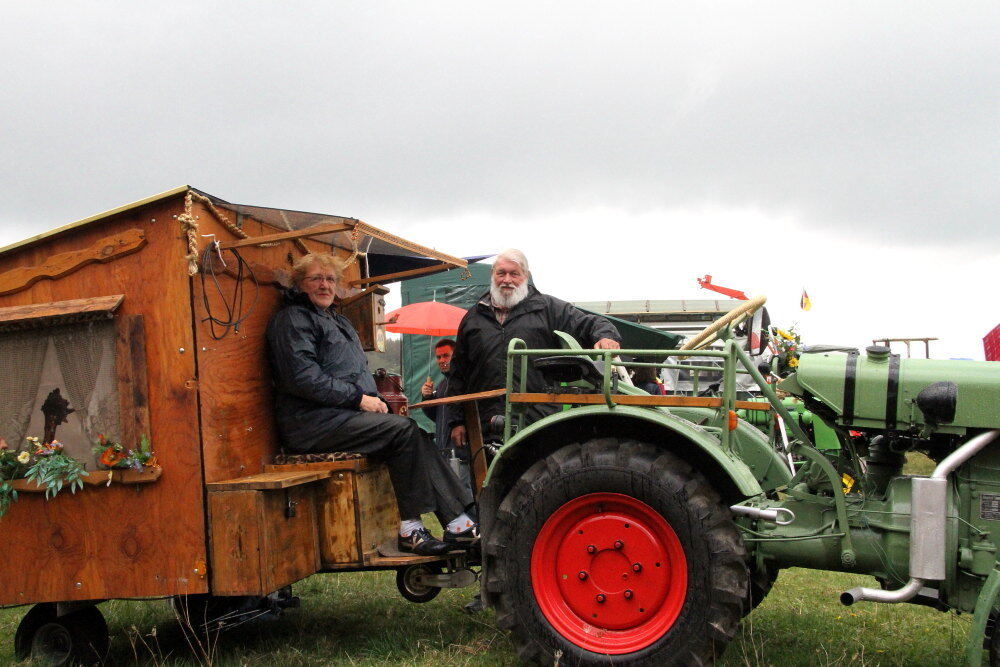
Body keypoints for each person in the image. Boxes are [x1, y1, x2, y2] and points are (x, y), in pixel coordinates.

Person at [266, 253, 477, 556]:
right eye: (316, 279)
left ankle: (456, 521)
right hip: (311, 423)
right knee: (404, 432)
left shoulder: (334, 319)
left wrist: (376, 400)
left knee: (412, 432)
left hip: (338, 416)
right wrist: (358, 399)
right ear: (300, 284)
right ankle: (419, 528)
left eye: (329, 279)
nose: (324, 285)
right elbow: (303, 378)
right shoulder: (293, 320)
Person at [447, 248, 622, 449]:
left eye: (514, 274)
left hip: (537, 420)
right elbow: (458, 373)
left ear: (526, 276)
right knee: (483, 479)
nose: (507, 280)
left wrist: (606, 336)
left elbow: (589, 323)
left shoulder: (549, 309)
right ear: (492, 275)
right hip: (484, 423)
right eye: (501, 273)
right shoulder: (473, 317)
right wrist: (456, 421)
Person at [421, 339, 474, 489]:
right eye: (438, 357)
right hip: (445, 453)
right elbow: (438, 417)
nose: (442, 360)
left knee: (465, 496)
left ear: (455, 355)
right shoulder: (443, 385)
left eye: (446, 355)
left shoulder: (466, 382)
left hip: (462, 455)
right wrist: (427, 398)